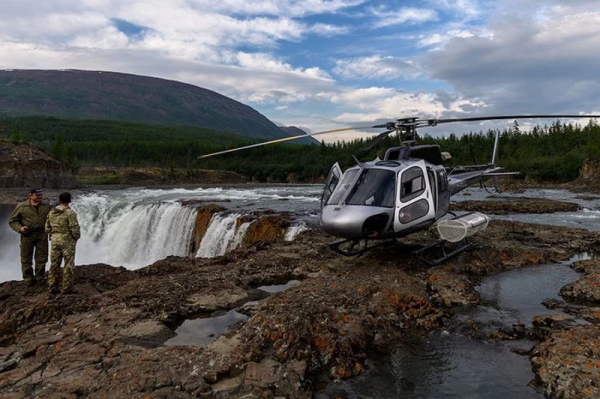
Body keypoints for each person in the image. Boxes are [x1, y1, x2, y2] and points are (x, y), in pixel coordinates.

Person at [8, 188, 52, 286]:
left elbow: (52, 219)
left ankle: (40, 277)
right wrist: (20, 228)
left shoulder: (47, 206)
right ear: (31, 195)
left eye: (41, 195)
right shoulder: (22, 206)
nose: (40, 197)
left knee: (42, 257)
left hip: (42, 234)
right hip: (27, 235)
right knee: (26, 258)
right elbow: (12, 221)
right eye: (37, 195)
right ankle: (28, 278)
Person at [45, 192, 81, 295]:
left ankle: (52, 287)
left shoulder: (51, 212)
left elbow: (47, 228)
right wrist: (75, 238)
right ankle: (67, 288)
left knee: (54, 264)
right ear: (70, 201)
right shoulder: (70, 213)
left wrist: (53, 234)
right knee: (68, 264)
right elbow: (75, 228)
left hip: (55, 239)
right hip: (67, 240)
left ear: (59, 200)